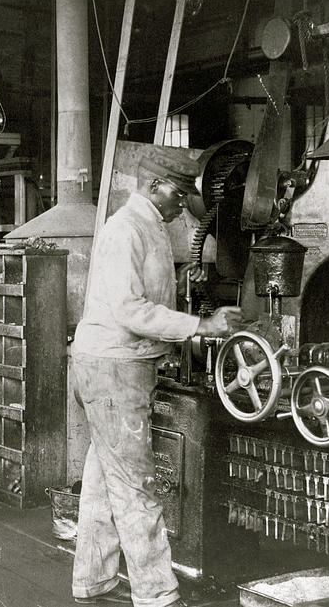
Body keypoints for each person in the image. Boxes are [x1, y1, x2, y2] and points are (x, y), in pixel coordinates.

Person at [71, 154, 243, 606]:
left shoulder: (150, 228)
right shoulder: (126, 229)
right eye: (179, 194)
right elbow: (129, 310)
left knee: (103, 480)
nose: (183, 205)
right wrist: (200, 326)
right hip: (114, 367)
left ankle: (93, 579)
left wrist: (187, 279)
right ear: (155, 186)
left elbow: (144, 294)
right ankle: (157, 594)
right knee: (135, 483)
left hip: (116, 365)